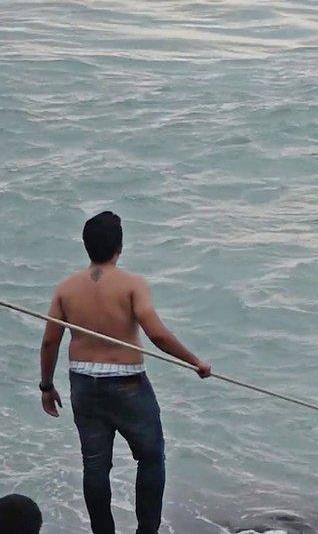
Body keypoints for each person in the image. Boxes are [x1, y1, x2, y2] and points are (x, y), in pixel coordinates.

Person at [38, 211, 211, 534]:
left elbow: (50, 342)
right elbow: (157, 335)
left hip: (84, 384)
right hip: (128, 384)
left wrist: (46, 386)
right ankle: (147, 531)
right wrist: (195, 362)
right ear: (120, 246)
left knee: (95, 464)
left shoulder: (65, 289)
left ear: (86, 245)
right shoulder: (132, 285)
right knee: (150, 458)